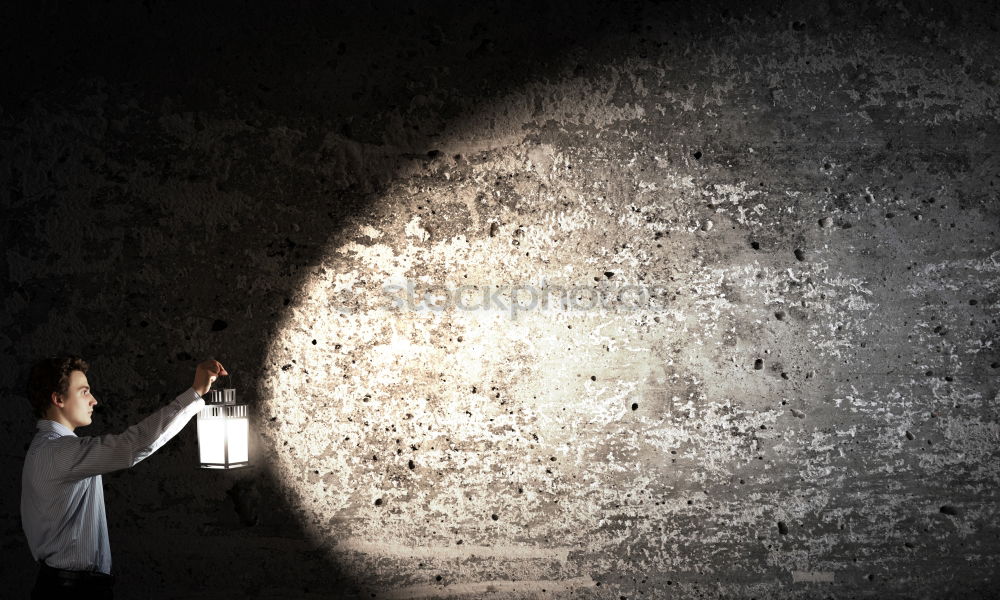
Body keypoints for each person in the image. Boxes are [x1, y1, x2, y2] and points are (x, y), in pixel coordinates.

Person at [21, 355, 227, 600]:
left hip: (65, 587)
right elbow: (134, 445)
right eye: (84, 392)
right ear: (58, 399)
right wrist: (195, 393)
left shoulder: (48, 448)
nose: (94, 401)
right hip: (73, 592)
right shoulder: (59, 452)